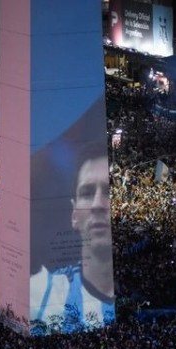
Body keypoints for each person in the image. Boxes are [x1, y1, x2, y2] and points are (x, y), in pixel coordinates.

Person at [29, 97, 115, 333]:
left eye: (107, 192)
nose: (98, 204)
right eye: (88, 193)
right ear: (74, 214)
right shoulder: (42, 295)